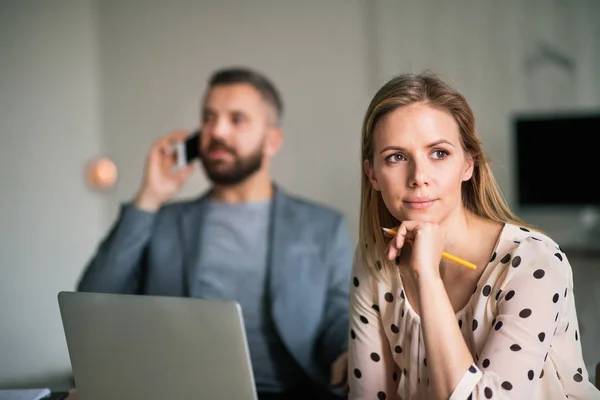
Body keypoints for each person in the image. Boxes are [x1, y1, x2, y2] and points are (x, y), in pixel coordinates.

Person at [78, 67, 353, 399]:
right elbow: (92, 301)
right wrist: (150, 196)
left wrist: (345, 353)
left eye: (237, 119)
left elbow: (338, 315)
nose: (216, 131)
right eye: (209, 118)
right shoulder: (163, 221)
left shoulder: (323, 226)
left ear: (272, 141)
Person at [347, 72, 600, 399]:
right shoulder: (375, 261)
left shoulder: (533, 263)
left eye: (438, 153)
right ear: (373, 174)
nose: (419, 177)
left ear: (468, 163)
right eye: (396, 157)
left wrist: (426, 276)